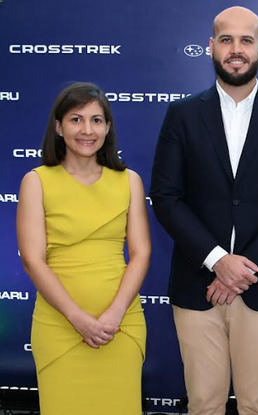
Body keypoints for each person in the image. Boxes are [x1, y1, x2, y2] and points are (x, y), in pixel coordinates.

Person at [149, 6, 258, 415]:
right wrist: (218, 260)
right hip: (197, 284)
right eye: (226, 39)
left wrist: (243, 268)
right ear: (211, 47)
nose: (235, 49)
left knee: (257, 405)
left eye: (245, 40)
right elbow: (167, 197)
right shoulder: (182, 115)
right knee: (203, 404)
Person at [16, 82, 150, 414]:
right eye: (76, 120)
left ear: (107, 128)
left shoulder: (128, 181)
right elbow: (33, 260)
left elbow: (142, 252)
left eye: (96, 120)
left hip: (120, 327)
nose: (87, 130)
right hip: (60, 328)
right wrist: (78, 319)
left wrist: (115, 314)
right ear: (59, 127)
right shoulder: (36, 181)